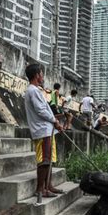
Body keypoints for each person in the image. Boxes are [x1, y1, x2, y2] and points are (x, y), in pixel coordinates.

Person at [24, 63, 64, 198]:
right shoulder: (33, 91)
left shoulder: (36, 90)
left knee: (50, 159)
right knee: (45, 160)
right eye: (41, 74)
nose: (43, 77)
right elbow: (41, 111)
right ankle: (40, 189)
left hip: (47, 130)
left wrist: (54, 122)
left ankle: (49, 185)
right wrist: (55, 121)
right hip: (42, 130)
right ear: (36, 75)